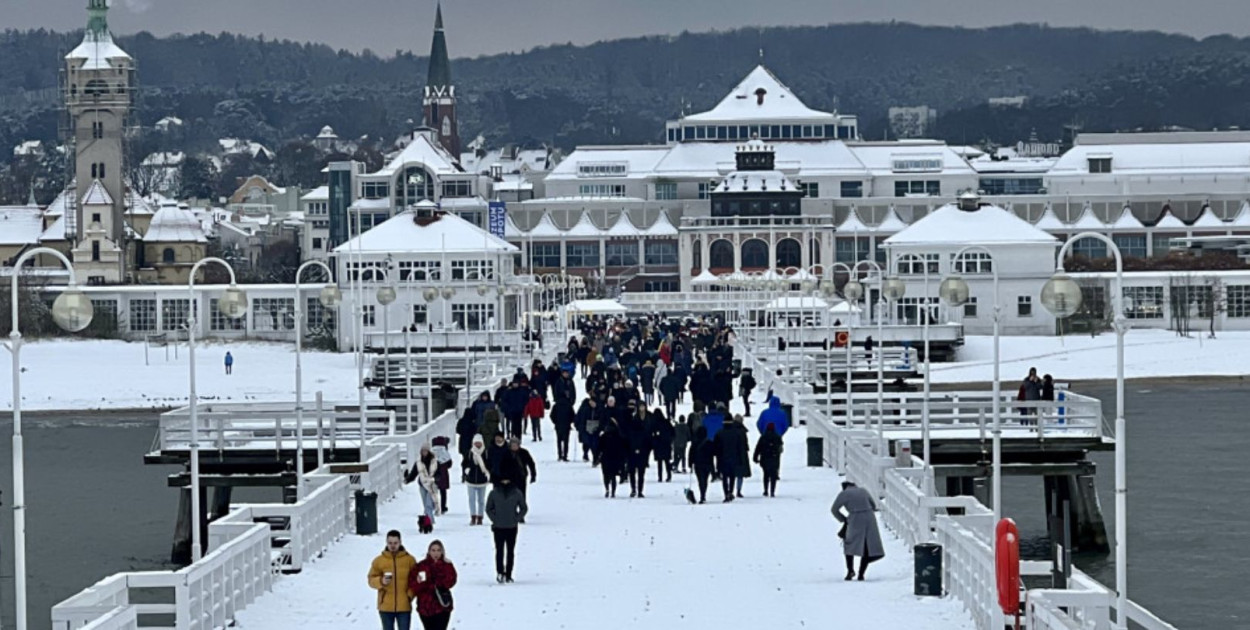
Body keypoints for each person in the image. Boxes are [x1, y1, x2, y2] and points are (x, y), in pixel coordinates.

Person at [485, 459, 528, 584]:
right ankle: (500, 571)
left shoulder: (516, 493)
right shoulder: (494, 493)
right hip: (498, 527)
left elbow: (524, 508)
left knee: (510, 551)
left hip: (512, 527)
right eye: (503, 479)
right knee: (499, 550)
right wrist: (495, 519)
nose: (505, 482)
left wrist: (516, 518)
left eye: (507, 479)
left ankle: (508, 573)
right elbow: (488, 508)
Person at [832, 481, 885, 581]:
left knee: (849, 544)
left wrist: (843, 519)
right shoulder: (863, 490)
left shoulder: (844, 494)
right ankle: (861, 574)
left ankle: (850, 570)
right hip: (869, 518)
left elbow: (834, 509)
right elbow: (873, 505)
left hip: (855, 518)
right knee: (867, 546)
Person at [367, 529, 418, 630]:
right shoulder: (379, 561)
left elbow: (415, 580)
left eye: (395, 543)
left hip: (404, 606)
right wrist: (381, 581)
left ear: (400, 542)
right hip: (385, 606)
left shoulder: (409, 560)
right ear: (386, 543)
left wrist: (410, 595)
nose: (393, 546)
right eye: (390, 543)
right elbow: (371, 579)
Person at [410, 539, 457, 630]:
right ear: (429, 551)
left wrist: (437, 583)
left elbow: (451, 581)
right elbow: (413, 584)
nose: (436, 553)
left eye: (438, 550)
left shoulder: (447, 565)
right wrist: (418, 582)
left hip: (442, 605)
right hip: (425, 606)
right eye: (433, 550)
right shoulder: (421, 565)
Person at [462, 435, 490, 526]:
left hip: (482, 481)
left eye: (479, 442)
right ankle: (473, 516)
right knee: (471, 499)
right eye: (476, 442)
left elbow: (490, 464)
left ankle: (480, 517)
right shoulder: (470, 453)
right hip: (471, 480)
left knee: (481, 500)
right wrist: (466, 470)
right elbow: (464, 463)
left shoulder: (485, 452)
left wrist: (487, 473)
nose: (478, 444)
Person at [753, 422, 784, 497]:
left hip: (765, 458)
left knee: (765, 475)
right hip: (774, 458)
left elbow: (758, 448)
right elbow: (781, 448)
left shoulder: (763, 437)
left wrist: (755, 457)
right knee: (773, 475)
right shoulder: (777, 437)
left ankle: (766, 490)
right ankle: (772, 491)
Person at [597, 421, 627, 497]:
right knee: (613, 476)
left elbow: (599, 448)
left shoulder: (603, 436)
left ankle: (607, 489)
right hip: (615, 458)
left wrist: (597, 457)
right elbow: (622, 448)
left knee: (605, 475)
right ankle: (613, 491)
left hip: (605, 458)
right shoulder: (619, 436)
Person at [689, 426, 716, 504]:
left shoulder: (694, 443)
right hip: (707, 463)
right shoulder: (709, 442)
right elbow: (713, 453)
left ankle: (702, 493)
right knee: (705, 479)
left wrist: (690, 464)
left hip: (698, 464)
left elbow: (691, 454)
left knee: (700, 480)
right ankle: (703, 495)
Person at [506, 437, 537, 504]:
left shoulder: (524, 452)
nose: (514, 446)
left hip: (521, 476)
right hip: (510, 478)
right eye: (512, 445)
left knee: (521, 493)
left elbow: (531, 464)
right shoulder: (507, 453)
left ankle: (522, 508)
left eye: (515, 445)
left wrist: (533, 475)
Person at [414, 445, 440, 523]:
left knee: (429, 504)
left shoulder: (435, 461)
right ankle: (428, 519)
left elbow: (439, 473)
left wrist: (435, 478)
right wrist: (408, 479)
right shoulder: (419, 462)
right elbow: (414, 472)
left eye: (425, 451)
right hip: (422, 484)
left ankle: (430, 520)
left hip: (432, 484)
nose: (424, 452)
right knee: (425, 504)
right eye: (423, 451)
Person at [550, 397, 575, 461]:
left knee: (559, 441)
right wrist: (570, 422)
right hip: (566, 426)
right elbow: (573, 415)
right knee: (566, 441)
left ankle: (559, 455)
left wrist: (555, 422)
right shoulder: (569, 405)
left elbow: (552, 415)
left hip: (558, 425)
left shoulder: (556, 405)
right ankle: (565, 456)